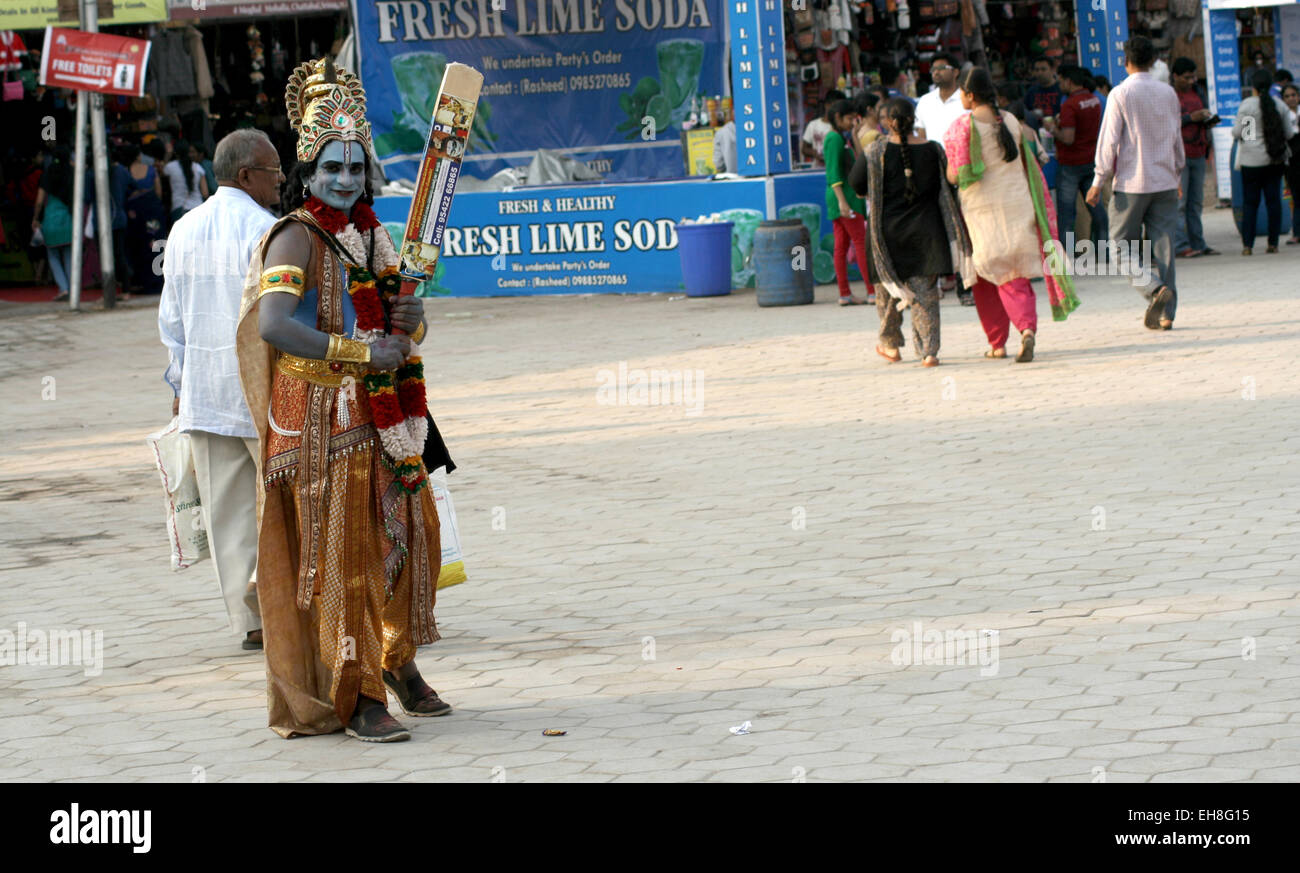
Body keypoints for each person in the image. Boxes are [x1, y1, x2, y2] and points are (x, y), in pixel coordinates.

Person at [236, 57, 449, 743]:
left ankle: (397, 661)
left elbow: (400, 327)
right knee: (346, 560)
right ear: (307, 169)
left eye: (356, 167)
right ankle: (354, 695)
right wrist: (360, 353)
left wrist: (408, 318)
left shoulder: (372, 235)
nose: (346, 179)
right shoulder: (297, 233)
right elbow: (273, 323)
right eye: (332, 167)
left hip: (385, 416)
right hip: (322, 428)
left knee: (408, 535)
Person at [159, 130, 284, 652]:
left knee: (228, 514)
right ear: (247, 175)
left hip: (205, 396)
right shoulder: (270, 230)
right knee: (283, 506)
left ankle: (250, 623)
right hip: (263, 396)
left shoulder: (183, 229)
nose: (282, 178)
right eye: (274, 169)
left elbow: (172, 320)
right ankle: (285, 608)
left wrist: (179, 384)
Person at [945, 68, 1079, 362]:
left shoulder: (960, 127)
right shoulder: (1010, 121)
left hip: (983, 212)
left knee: (988, 275)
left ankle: (998, 342)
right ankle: (1026, 329)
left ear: (969, 95)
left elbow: (955, 176)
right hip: (1019, 206)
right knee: (1015, 274)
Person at [850, 98, 972, 367]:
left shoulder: (874, 152)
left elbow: (857, 184)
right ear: (913, 119)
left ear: (887, 122)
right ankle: (928, 351)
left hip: (886, 235)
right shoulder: (933, 150)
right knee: (926, 295)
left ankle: (891, 346)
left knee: (888, 293)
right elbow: (948, 186)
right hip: (926, 233)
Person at [1087, 36, 1185, 331]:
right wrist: (1178, 172)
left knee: (1118, 246)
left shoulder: (1120, 93)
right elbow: (1176, 137)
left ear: (1125, 61)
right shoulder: (1168, 93)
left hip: (1131, 184)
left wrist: (1098, 179)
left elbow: (1109, 141)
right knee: (1165, 249)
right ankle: (1167, 314)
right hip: (1165, 180)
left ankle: (1153, 289)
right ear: (1154, 62)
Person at [1233, 68, 1297, 255]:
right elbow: (1289, 133)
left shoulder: (1248, 106)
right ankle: (1273, 243)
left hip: (1251, 162)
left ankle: (1247, 245)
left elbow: (1244, 135)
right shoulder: (1280, 105)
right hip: (1274, 161)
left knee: (1250, 203)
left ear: (1253, 86)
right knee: (1273, 201)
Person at [1043, 65, 1106, 253]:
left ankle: (1066, 255)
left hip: (1071, 164)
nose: (1059, 84)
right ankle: (1105, 252)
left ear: (1068, 81)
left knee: (1066, 214)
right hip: (1090, 160)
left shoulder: (1070, 105)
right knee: (1097, 209)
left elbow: (1068, 138)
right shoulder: (1093, 100)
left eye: (1061, 80)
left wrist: (1051, 128)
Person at [823, 99, 875, 306]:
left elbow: (856, 160)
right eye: (849, 118)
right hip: (845, 198)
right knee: (861, 244)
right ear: (838, 118)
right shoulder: (834, 139)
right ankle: (872, 291)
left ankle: (845, 293)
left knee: (841, 246)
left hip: (843, 197)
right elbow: (833, 172)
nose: (853, 121)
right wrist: (843, 202)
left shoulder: (840, 138)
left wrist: (854, 135)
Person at [1171, 58, 1218, 258]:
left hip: (1198, 152)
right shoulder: (1169, 95)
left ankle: (1198, 242)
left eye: (1193, 77)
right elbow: (1168, 123)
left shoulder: (1198, 92)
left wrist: (1207, 121)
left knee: (1196, 202)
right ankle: (1181, 245)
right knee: (1180, 203)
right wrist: (1192, 118)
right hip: (1179, 155)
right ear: (1175, 77)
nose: (1191, 81)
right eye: (1186, 77)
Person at [30, 147, 75, 301]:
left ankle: (64, 289)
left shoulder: (46, 175)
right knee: (69, 255)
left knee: (53, 256)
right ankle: (72, 289)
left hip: (50, 222)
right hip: (68, 221)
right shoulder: (72, 174)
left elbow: (39, 202)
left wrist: (35, 218)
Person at [123, 144, 167, 294]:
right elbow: (159, 191)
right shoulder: (151, 170)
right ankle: (159, 279)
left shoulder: (126, 171)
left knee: (139, 246)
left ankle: (144, 281)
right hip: (153, 211)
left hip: (136, 214)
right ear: (138, 155)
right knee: (156, 244)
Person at [915, 53, 965, 143]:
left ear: (955, 72)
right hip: (933, 156)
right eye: (933, 69)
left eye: (942, 68)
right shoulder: (925, 101)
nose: (936, 72)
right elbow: (921, 135)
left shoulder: (967, 99)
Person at [163, 139, 209, 224]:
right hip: (198, 208)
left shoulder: (170, 167)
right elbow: (205, 193)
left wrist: (168, 154)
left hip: (179, 208)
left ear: (175, 153)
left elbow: (162, 173)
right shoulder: (198, 168)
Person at [800, 89, 844, 168]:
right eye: (835, 107)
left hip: (835, 167)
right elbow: (804, 149)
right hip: (817, 169)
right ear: (827, 105)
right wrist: (814, 153)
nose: (838, 111)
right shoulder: (813, 125)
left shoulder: (840, 125)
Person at [1281, 82, 1300, 245]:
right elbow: (1244, 134)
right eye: (1287, 96)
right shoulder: (1283, 115)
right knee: (1296, 196)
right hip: (1292, 160)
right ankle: (1297, 232)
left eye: (1293, 95)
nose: (1291, 99)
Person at [1023, 57, 1063, 126]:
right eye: (1037, 70)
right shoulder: (1031, 91)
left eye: (1043, 69)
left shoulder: (1061, 89)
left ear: (1052, 70)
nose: (1039, 73)